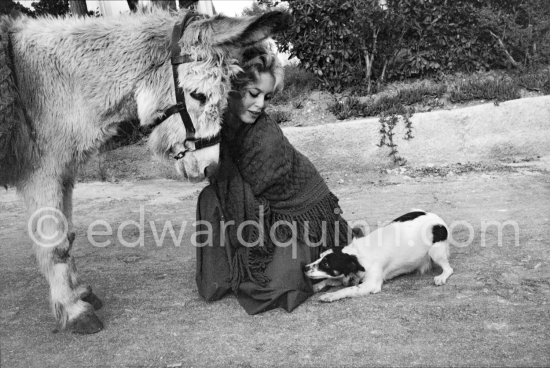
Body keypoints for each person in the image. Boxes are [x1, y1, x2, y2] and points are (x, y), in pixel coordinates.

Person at [195, 42, 353, 314]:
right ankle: (225, 273)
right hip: (263, 209)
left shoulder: (265, 139)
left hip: (300, 216)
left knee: (270, 289)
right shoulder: (220, 123)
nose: (259, 105)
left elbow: (251, 204)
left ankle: (310, 251)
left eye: (266, 98)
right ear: (230, 90)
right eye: (253, 94)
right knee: (211, 197)